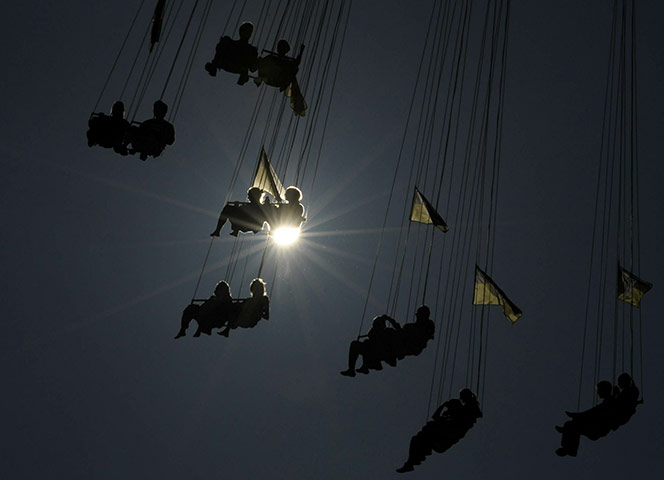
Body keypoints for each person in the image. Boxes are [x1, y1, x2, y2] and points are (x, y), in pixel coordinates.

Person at [396, 388, 482, 473]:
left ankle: (412, 462)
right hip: (441, 437)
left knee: (424, 435)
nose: (461, 399)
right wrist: (443, 405)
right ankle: (410, 463)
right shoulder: (452, 415)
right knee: (416, 439)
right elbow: (435, 417)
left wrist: (452, 409)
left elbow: (469, 417)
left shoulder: (470, 409)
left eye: (462, 397)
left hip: (445, 438)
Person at [555, 380, 617, 457]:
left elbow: (592, 412)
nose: (598, 393)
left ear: (604, 390)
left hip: (598, 428)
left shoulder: (608, 402)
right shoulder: (608, 401)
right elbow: (592, 412)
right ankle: (569, 444)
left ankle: (569, 448)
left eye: (599, 390)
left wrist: (576, 415)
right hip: (597, 426)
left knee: (572, 426)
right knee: (571, 425)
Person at [255, 40, 307, 116]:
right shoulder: (271, 58)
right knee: (267, 64)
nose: (281, 50)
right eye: (280, 48)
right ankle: (261, 79)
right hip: (271, 79)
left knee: (293, 69)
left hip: (280, 80)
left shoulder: (287, 62)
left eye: (283, 48)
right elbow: (262, 64)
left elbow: (296, 63)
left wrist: (301, 52)